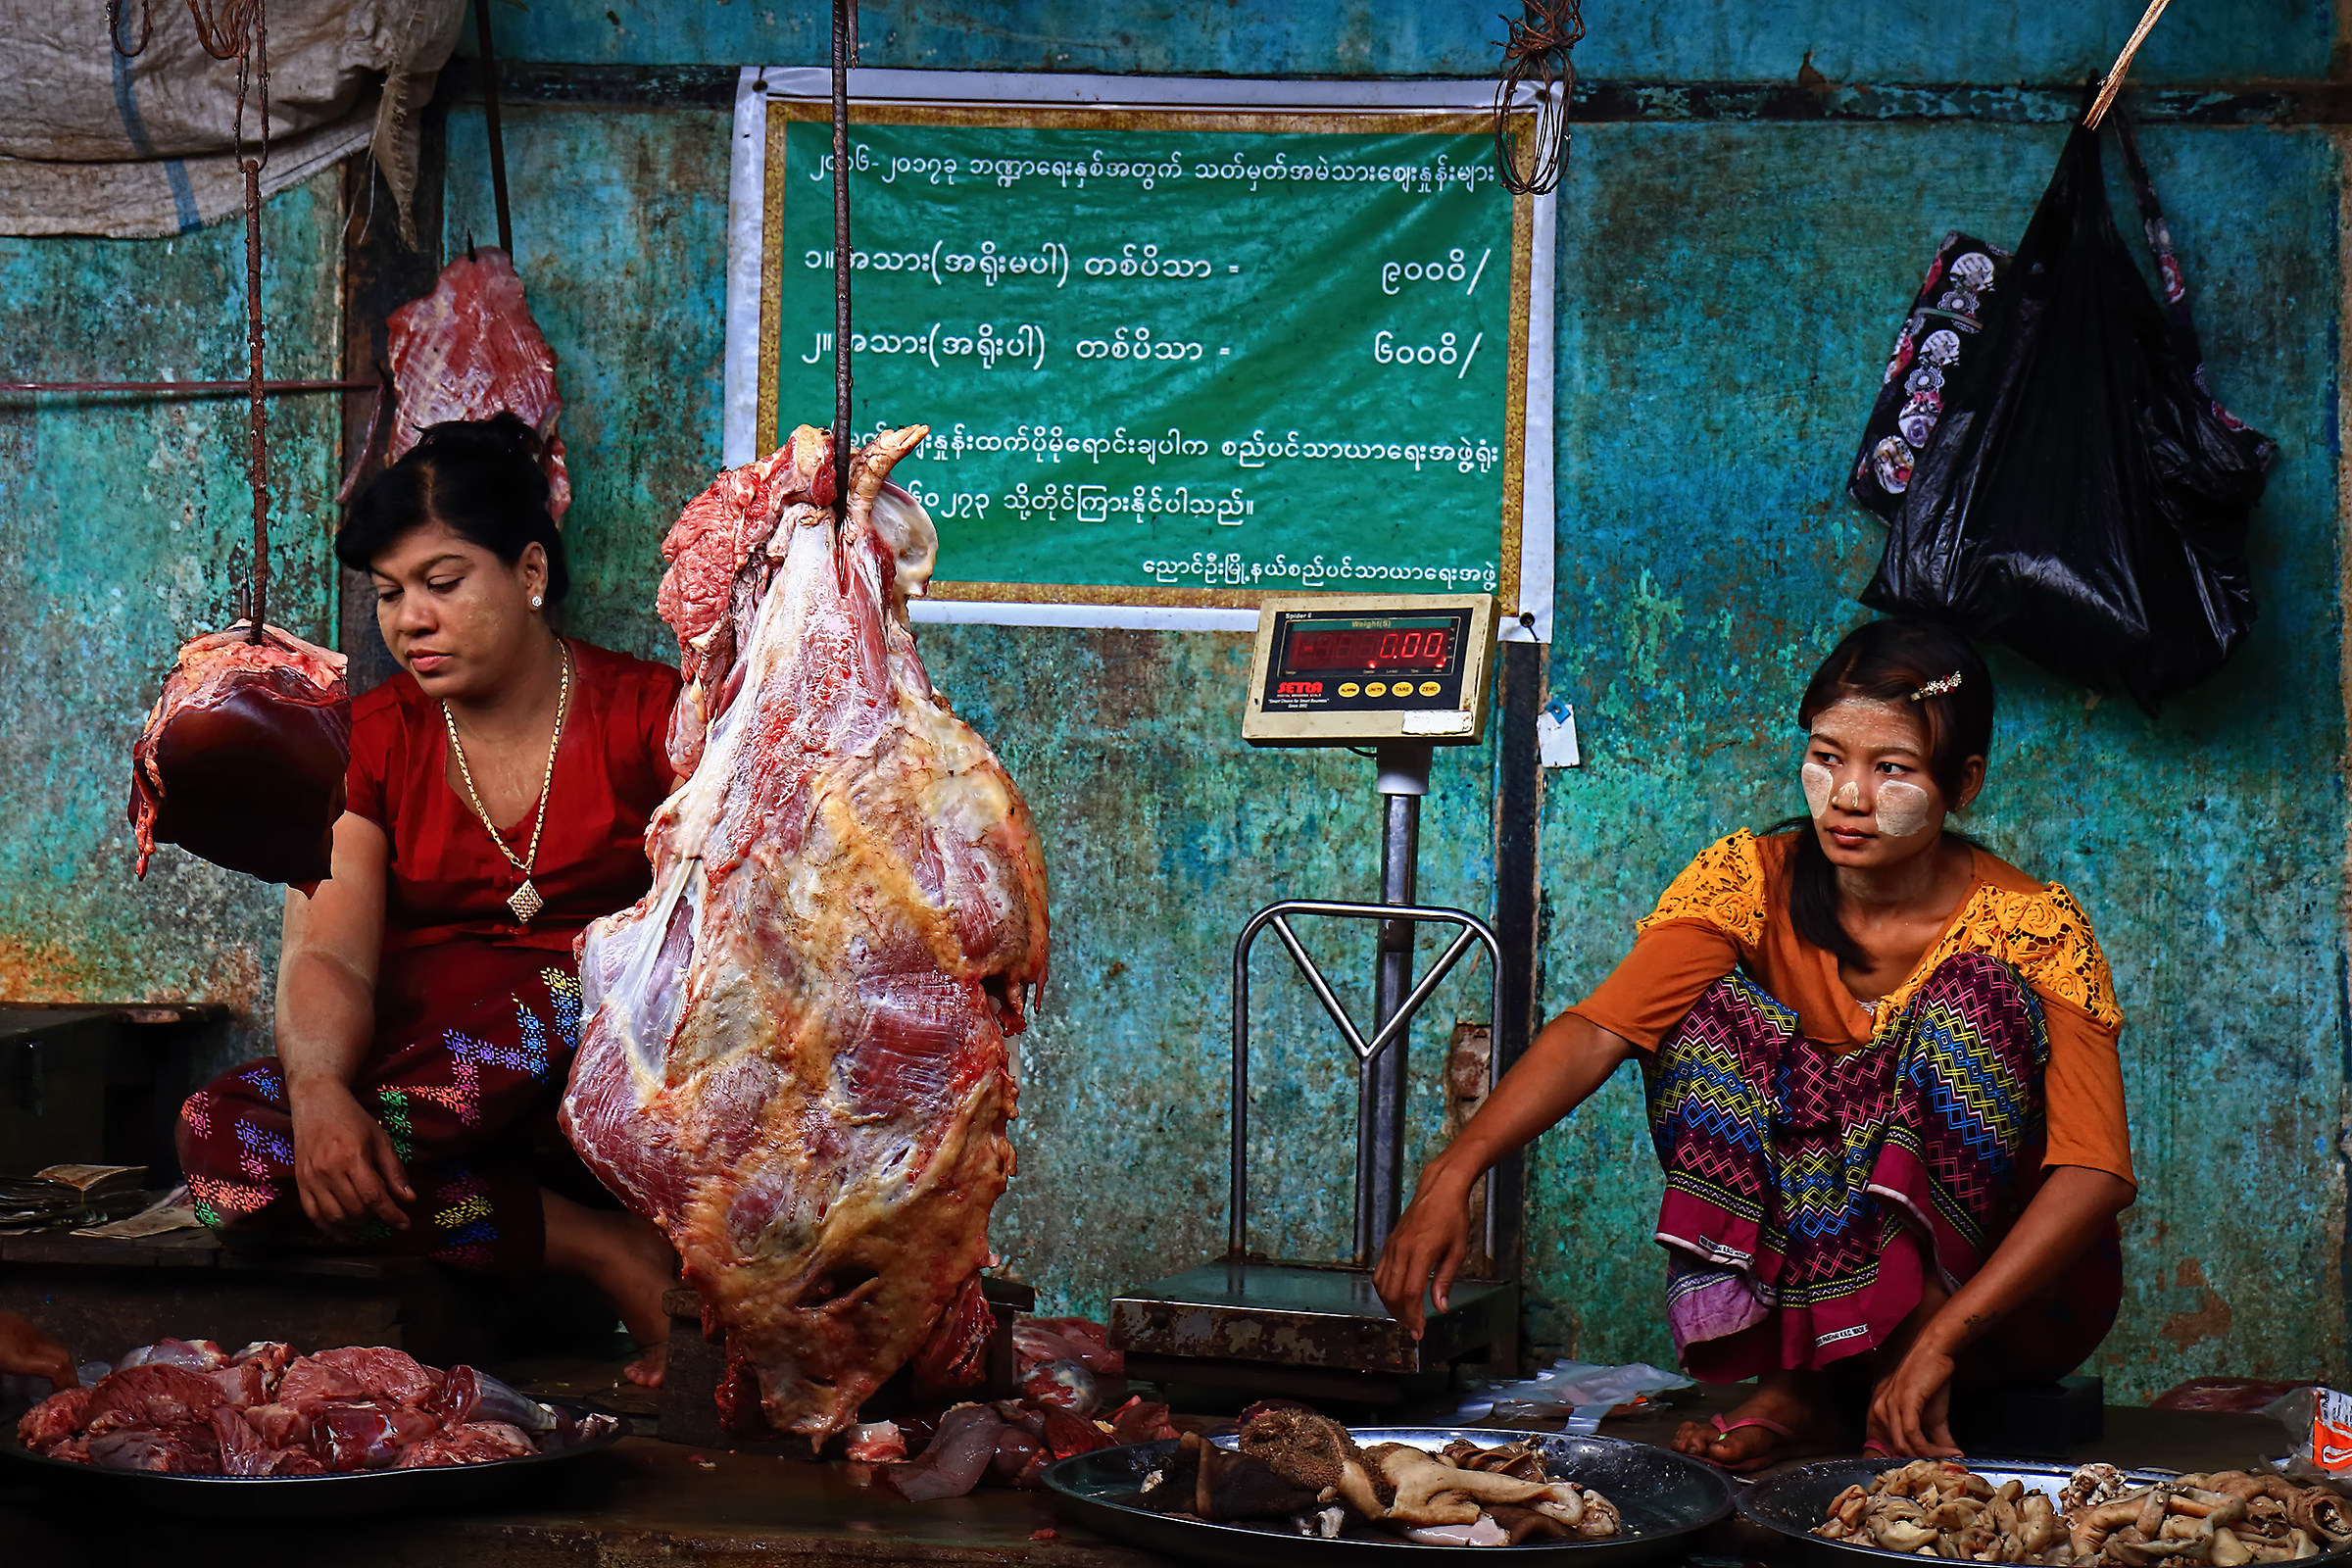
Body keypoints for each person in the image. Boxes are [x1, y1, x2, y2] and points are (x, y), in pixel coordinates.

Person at [1374, 617, 2133, 1467]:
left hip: (1997, 1312)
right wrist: (1454, 1172)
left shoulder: (2031, 927)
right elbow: (1600, 1029)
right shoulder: (1750, 881)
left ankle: (1903, 1358)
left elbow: (2094, 1171)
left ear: (1964, 783)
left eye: (1892, 770)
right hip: (1808, 1293)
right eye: (1827, 756)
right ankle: (1810, 1386)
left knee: (1978, 999)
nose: (1847, 797)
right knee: (1696, 1018)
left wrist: (1944, 1338)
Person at [175, 416, 681, 1386]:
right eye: (390, 594)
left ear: (530, 572)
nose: (411, 618)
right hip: (433, 1113)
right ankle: (594, 1246)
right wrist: (321, 1096)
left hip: (594, 1087)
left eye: (443, 583)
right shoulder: (368, 741)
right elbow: (330, 955)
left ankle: (586, 1213)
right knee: (226, 1153)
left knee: (583, 983)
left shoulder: (654, 717)